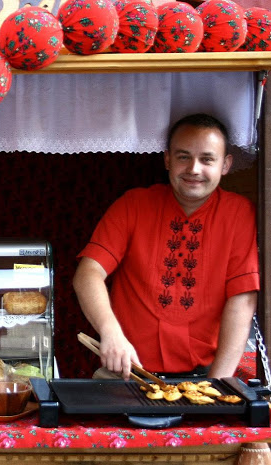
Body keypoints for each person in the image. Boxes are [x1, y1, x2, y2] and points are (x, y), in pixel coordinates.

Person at [73, 113, 259, 380]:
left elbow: (242, 298)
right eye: (183, 157)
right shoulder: (134, 204)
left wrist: (218, 384)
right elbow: (88, 274)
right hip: (127, 372)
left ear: (225, 165)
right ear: (167, 160)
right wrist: (110, 332)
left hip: (204, 375)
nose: (194, 169)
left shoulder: (239, 213)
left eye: (207, 159)